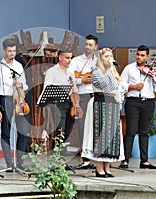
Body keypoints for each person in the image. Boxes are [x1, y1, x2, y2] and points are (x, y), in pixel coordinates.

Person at [119, 45, 156, 169]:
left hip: (148, 102)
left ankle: (144, 161)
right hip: (133, 102)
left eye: (142, 55)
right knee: (130, 131)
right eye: (138, 54)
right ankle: (125, 160)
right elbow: (121, 84)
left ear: (148, 57)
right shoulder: (129, 68)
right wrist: (133, 87)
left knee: (144, 132)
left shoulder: (153, 70)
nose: (139, 57)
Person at [82, 48, 124, 177]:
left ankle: (107, 166)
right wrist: (110, 69)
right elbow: (105, 85)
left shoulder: (114, 72)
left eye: (111, 56)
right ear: (101, 58)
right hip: (99, 104)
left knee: (111, 136)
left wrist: (119, 102)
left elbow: (117, 88)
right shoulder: (95, 71)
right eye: (106, 56)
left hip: (112, 105)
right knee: (99, 134)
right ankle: (99, 167)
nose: (109, 58)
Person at [0, 38, 30, 171]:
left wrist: (21, 85)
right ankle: (9, 163)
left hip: (19, 99)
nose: (12, 54)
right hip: (5, 99)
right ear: (4, 51)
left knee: (24, 131)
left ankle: (20, 162)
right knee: (6, 132)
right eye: (9, 51)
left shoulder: (19, 66)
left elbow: (25, 84)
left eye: (14, 51)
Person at [69, 34, 98, 169]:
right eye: (86, 44)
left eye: (90, 45)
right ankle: (85, 159)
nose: (87, 47)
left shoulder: (99, 61)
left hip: (96, 95)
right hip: (83, 95)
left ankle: (96, 158)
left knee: (95, 127)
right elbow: (69, 78)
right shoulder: (76, 61)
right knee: (83, 127)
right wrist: (82, 80)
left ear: (95, 47)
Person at [42, 46, 76, 151]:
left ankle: (62, 160)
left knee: (67, 132)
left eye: (71, 58)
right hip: (57, 103)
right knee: (59, 131)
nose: (69, 60)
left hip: (69, 103)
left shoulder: (71, 72)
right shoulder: (52, 72)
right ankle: (56, 161)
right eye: (67, 58)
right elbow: (46, 89)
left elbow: (74, 90)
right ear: (60, 57)